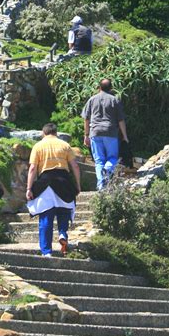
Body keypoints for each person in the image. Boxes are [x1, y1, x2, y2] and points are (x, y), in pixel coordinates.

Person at [26, 122, 81, 257]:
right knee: (63, 211)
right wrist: (78, 185)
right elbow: (75, 166)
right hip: (63, 180)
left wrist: (29, 188)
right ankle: (62, 233)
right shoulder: (65, 145)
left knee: (46, 216)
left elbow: (32, 168)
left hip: (46, 182)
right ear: (56, 133)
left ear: (43, 133)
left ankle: (46, 251)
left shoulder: (38, 146)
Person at [82, 78, 128, 190]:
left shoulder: (92, 100)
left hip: (95, 132)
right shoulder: (114, 100)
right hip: (110, 132)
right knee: (112, 157)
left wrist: (86, 135)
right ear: (111, 88)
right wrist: (125, 136)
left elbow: (86, 119)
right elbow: (120, 120)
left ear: (99, 88)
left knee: (98, 161)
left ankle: (101, 185)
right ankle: (107, 169)